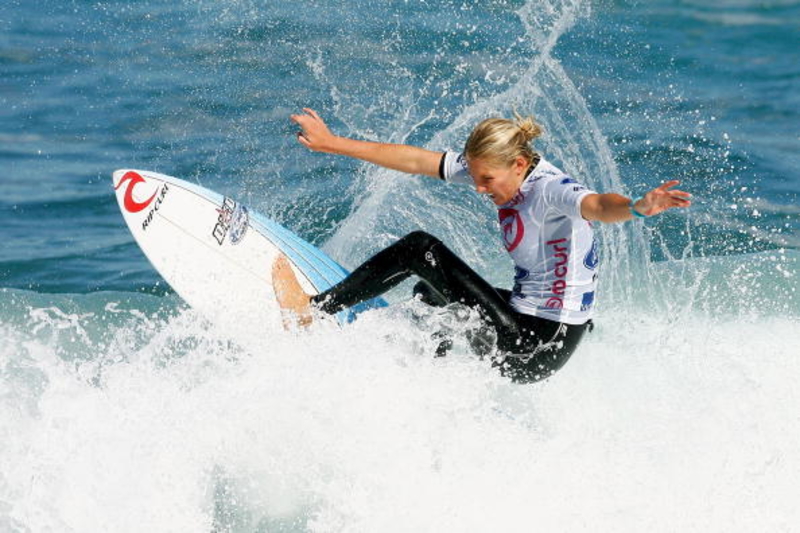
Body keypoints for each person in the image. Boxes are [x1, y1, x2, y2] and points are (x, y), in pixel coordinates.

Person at [272, 108, 691, 383]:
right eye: (474, 176)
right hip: (539, 327)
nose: (478, 187)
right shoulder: (500, 168)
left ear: (520, 165)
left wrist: (637, 207)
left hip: (536, 346)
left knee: (420, 250)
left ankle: (310, 311)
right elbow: (417, 160)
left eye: (486, 180)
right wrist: (332, 143)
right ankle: (422, 389)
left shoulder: (552, 191)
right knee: (430, 293)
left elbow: (598, 205)